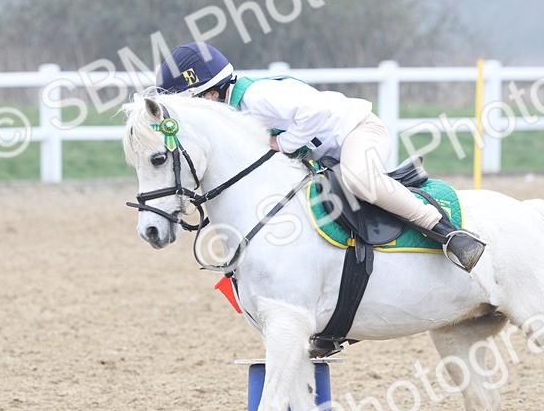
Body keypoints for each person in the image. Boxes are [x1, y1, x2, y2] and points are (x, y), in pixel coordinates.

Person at [151, 42, 486, 271]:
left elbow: (313, 112)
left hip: (359, 131)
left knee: (360, 180)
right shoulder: (237, 111)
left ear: (210, 93)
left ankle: (447, 232)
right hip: (328, 155)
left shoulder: (257, 96)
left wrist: (283, 145)